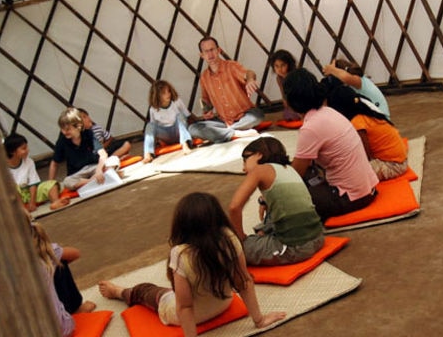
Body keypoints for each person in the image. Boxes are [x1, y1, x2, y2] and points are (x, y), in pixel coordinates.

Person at [97, 192, 285, 337]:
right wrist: (259, 320)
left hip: (188, 316)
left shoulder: (180, 254)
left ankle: (119, 292)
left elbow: (184, 307)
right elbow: (244, 281)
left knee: (148, 290)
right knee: (178, 290)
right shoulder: (230, 238)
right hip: (224, 303)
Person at [283, 68, 379, 221]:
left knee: (289, 196)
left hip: (351, 197)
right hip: (369, 189)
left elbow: (295, 175)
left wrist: (268, 196)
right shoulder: (329, 112)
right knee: (300, 172)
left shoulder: (310, 128)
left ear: (290, 100)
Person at [228, 137, 324, 265]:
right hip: (318, 238)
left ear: (258, 155)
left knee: (228, 248)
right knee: (271, 216)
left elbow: (234, 207)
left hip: (294, 248)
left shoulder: (259, 170)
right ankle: (264, 235)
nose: (243, 168)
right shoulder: (289, 169)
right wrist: (264, 201)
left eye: (245, 160)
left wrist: (240, 238)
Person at [187, 36, 264, 143]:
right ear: (202, 55)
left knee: (257, 116)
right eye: (206, 51)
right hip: (223, 120)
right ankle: (236, 133)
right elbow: (205, 100)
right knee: (193, 129)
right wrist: (207, 111)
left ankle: (223, 133)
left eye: (212, 50)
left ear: (218, 50)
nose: (210, 54)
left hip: (245, 115)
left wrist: (250, 80)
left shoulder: (231, 66)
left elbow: (249, 73)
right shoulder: (204, 77)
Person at [326, 85, 408, 180]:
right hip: (400, 159)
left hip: (393, 165)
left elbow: (364, 155)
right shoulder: (367, 113)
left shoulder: (357, 123)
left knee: (345, 175)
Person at [29, 219, 78, 337]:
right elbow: (75, 253)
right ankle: (76, 307)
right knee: (58, 262)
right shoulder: (46, 252)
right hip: (60, 329)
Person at [48, 107, 111, 191]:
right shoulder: (62, 141)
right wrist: (50, 184)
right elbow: (54, 163)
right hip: (77, 173)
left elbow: (102, 153)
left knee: (113, 161)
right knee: (67, 182)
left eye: (68, 129)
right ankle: (92, 180)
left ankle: (91, 180)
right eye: (62, 129)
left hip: (93, 166)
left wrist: (99, 169)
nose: (64, 132)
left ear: (78, 126)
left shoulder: (88, 133)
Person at [5, 133, 69, 211]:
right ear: (12, 152)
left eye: (27, 147)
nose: (27, 150)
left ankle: (56, 202)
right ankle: (22, 211)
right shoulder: (2, 167)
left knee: (51, 184)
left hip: (28, 192)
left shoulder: (29, 161)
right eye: (24, 148)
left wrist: (32, 202)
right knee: (14, 188)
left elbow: (33, 183)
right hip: (15, 196)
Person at [143, 80, 198, 163]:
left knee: (180, 116)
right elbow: (153, 128)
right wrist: (157, 142)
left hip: (178, 132)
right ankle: (148, 154)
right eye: (164, 93)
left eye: (169, 91)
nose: (168, 94)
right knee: (150, 125)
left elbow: (187, 116)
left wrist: (196, 128)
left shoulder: (176, 101)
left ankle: (185, 145)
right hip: (166, 136)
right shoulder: (153, 109)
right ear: (157, 95)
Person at [322, 58, 390, 119]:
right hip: (373, 116)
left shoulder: (358, 80)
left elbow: (346, 78)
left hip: (380, 118)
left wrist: (332, 70)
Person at [268, 50, 302, 122]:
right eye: (276, 66)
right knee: (288, 115)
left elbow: (302, 94)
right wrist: (288, 107)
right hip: (293, 104)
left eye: (283, 65)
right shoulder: (279, 79)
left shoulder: (296, 76)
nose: (280, 69)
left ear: (289, 64)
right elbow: (284, 95)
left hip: (304, 101)